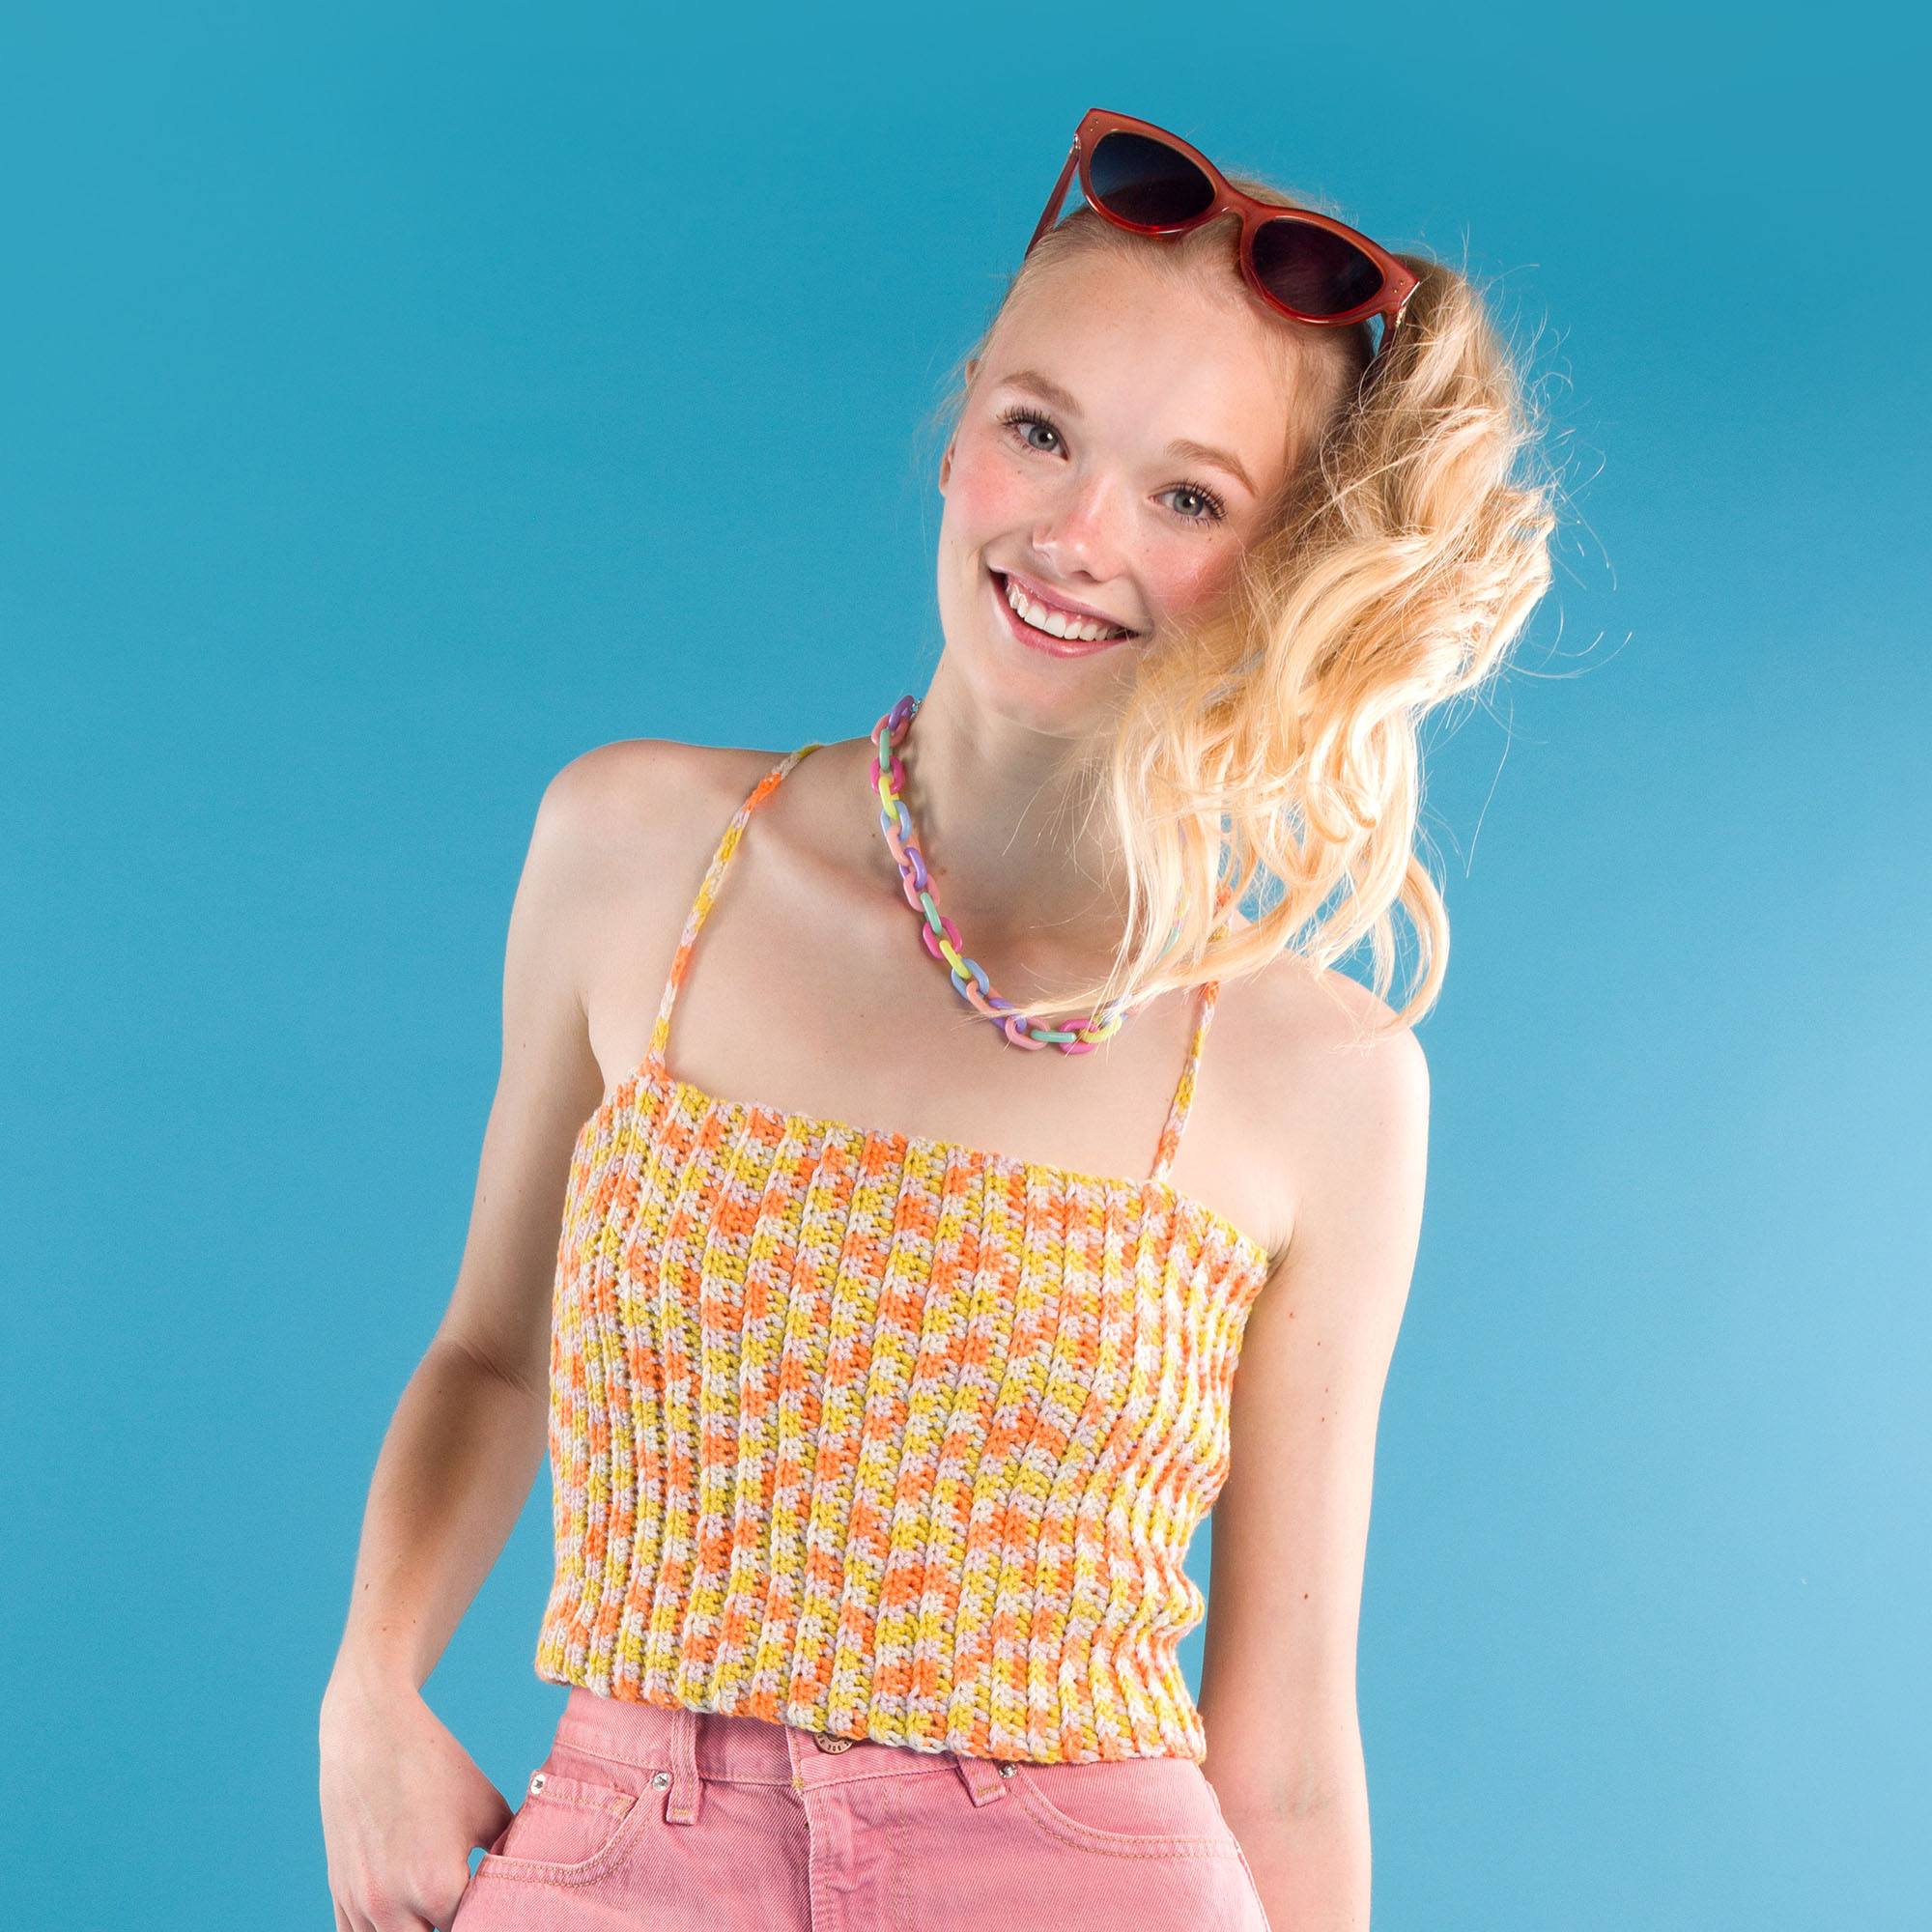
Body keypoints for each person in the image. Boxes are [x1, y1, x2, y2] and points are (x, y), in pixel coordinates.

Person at [319, 106, 1557, 1932]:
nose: (1076, 535)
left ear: (1283, 565)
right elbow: (490, 1359)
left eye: (1190, 497)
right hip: (632, 1847)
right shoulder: (639, 854)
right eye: (1041, 430)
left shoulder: (1328, 1082)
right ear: (964, 414)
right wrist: (369, 1689)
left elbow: (1287, 1749)